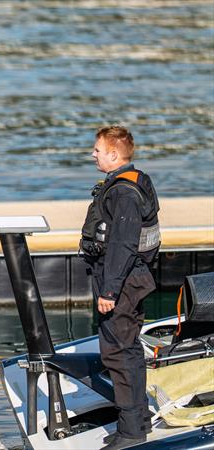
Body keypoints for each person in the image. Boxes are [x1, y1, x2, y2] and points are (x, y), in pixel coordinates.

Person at [80, 126, 159, 450]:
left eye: (98, 149)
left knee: (117, 353)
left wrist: (109, 292)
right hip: (128, 278)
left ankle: (131, 432)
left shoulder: (124, 192)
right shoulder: (129, 181)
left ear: (114, 154)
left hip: (122, 282)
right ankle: (136, 421)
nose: (93, 154)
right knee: (126, 349)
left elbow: (123, 245)